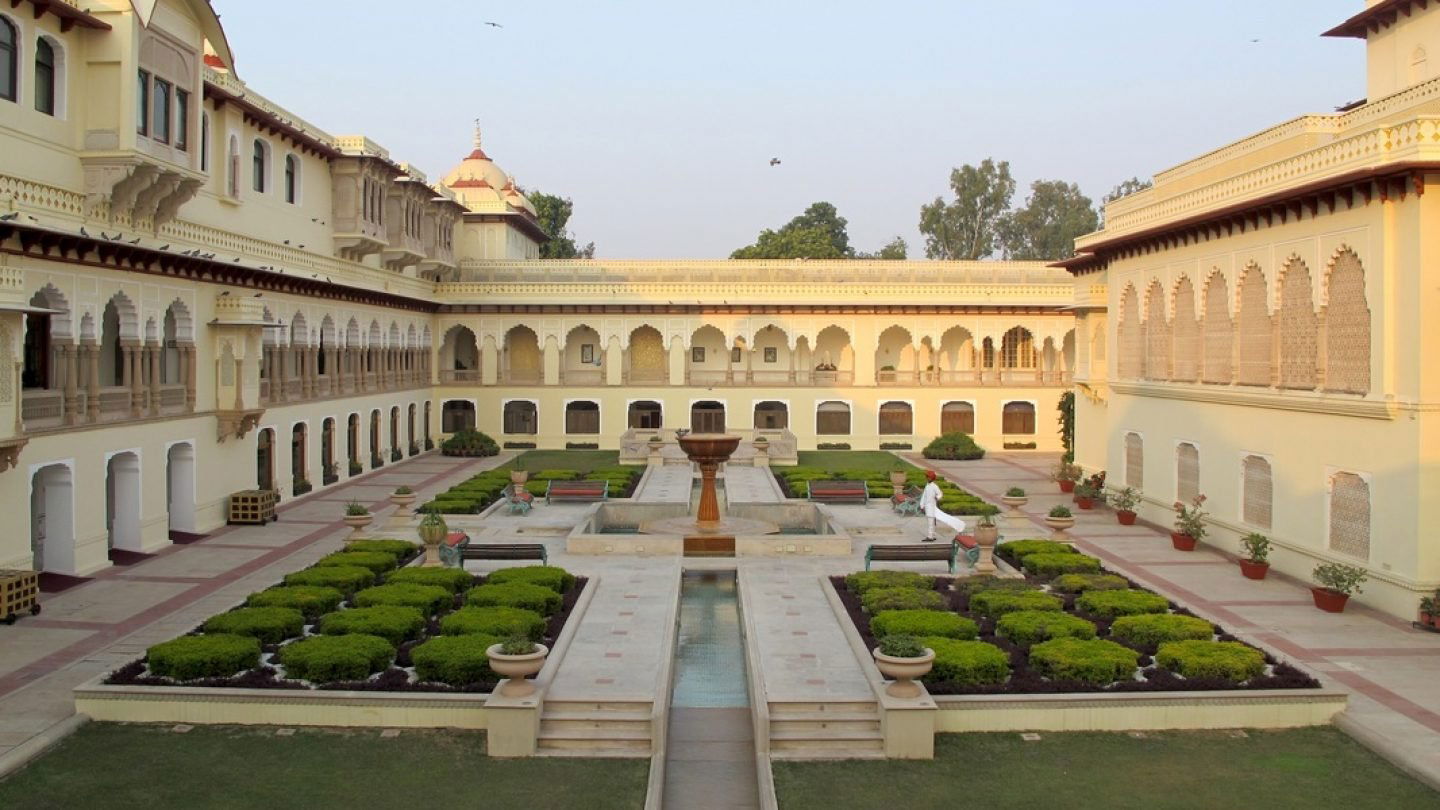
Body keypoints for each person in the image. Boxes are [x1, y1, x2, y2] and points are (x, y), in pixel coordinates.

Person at [919, 470, 966, 542]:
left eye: (928, 477)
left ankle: (930, 536)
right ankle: (932, 535)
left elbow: (940, 494)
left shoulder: (934, 486)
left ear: (932, 478)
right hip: (928, 507)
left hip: (931, 508)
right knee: (932, 522)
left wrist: (937, 498)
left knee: (931, 523)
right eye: (927, 477)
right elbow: (924, 496)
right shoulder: (927, 485)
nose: (927, 478)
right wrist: (921, 505)